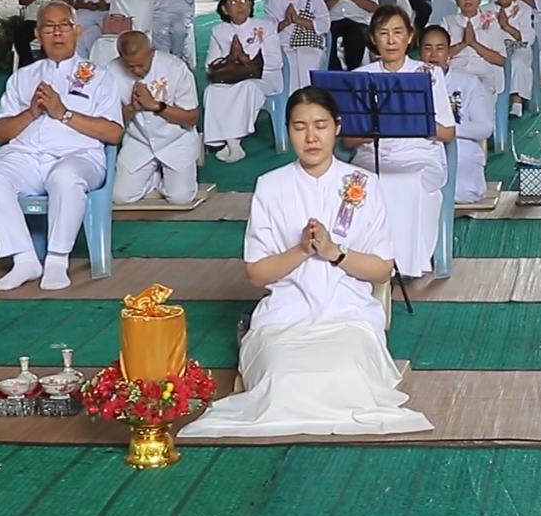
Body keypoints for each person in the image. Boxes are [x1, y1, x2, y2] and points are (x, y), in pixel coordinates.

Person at [178, 87, 432, 438]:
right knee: (283, 382)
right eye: (299, 127)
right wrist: (300, 250)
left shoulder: (362, 183)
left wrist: (334, 252)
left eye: (320, 125)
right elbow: (256, 273)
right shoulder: (271, 185)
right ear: (288, 130)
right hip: (286, 313)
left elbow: (382, 270)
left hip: (347, 313)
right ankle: (254, 339)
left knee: (345, 378)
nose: (311, 137)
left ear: (337, 127)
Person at [0, 2, 124, 292]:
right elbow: (0, 132)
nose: (57, 33)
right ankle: (24, 258)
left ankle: (57, 260)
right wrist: (31, 112)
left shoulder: (99, 77)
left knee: (65, 177)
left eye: (64, 25)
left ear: (77, 31)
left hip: (79, 156)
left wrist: (63, 113)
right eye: (49, 27)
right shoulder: (22, 78)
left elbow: (113, 133)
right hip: (26, 157)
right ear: (37, 34)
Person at [345, 5, 457, 279]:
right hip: (374, 154)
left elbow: (447, 132)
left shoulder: (429, 74)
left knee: (404, 183)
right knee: (358, 184)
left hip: (419, 155)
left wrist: (416, 122)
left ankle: (405, 263)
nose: (391, 40)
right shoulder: (361, 75)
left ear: (410, 37)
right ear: (373, 38)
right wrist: (376, 128)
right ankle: (358, 262)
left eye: (398, 32)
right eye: (383, 33)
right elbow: (348, 139)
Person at [109, 31, 199, 206]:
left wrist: (155, 105)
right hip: (139, 140)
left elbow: (191, 117)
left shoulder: (175, 67)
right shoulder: (111, 71)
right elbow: (113, 121)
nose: (136, 70)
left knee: (180, 198)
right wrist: (132, 108)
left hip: (176, 139)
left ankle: (172, 178)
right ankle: (154, 178)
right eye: (130, 66)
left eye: (141, 65)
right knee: (120, 197)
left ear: (152, 52)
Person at [203, 0, 282, 164]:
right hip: (231, 77)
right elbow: (210, 65)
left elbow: (275, 60)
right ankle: (232, 143)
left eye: (244, 0)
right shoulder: (219, 30)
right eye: (233, 2)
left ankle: (233, 142)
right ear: (224, 9)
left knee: (247, 87)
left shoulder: (266, 26)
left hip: (264, 77)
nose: (240, 5)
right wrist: (231, 59)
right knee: (212, 91)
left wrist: (246, 60)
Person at [419, 25, 493, 203]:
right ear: (419, 51)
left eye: (440, 48)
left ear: (449, 52)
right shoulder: (408, 82)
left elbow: (485, 128)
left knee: (464, 191)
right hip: (422, 152)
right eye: (427, 48)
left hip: (462, 152)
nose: (433, 54)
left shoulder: (468, 82)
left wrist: (447, 130)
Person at [263, 0, 331, 94]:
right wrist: (286, 22)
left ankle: (309, 100)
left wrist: (298, 20)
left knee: (309, 58)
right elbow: (268, 30)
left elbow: (325, 25)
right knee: (286, 62)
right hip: (283, 46)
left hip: (310, 45)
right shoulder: (273, 0)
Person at [438, 0, 506, 97]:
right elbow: (440, 55)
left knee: (479, 93)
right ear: (456, 0)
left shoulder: (491, 22)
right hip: (455, 73)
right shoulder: (447, 22)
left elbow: (500, 60)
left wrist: (474, 43)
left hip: (482, 75)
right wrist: (463, 43)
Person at [486, 0, 536, 117]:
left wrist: (506, 26)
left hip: (517, 45)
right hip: (494, 47)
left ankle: (517, 101)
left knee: (517, 61)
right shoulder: (485, 9)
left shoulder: (524, 9)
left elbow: (526, 37)